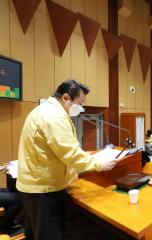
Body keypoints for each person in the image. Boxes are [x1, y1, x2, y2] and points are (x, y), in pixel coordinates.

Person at [16, 80, 118, 240]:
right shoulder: (54, 116)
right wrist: (98, 163)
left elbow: (58, 151)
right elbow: (70, 153)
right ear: (65, 98)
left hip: (36, 186)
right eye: (80, 102)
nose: (82, 107)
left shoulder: (47, 111)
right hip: (43, 190)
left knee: (36, 234)